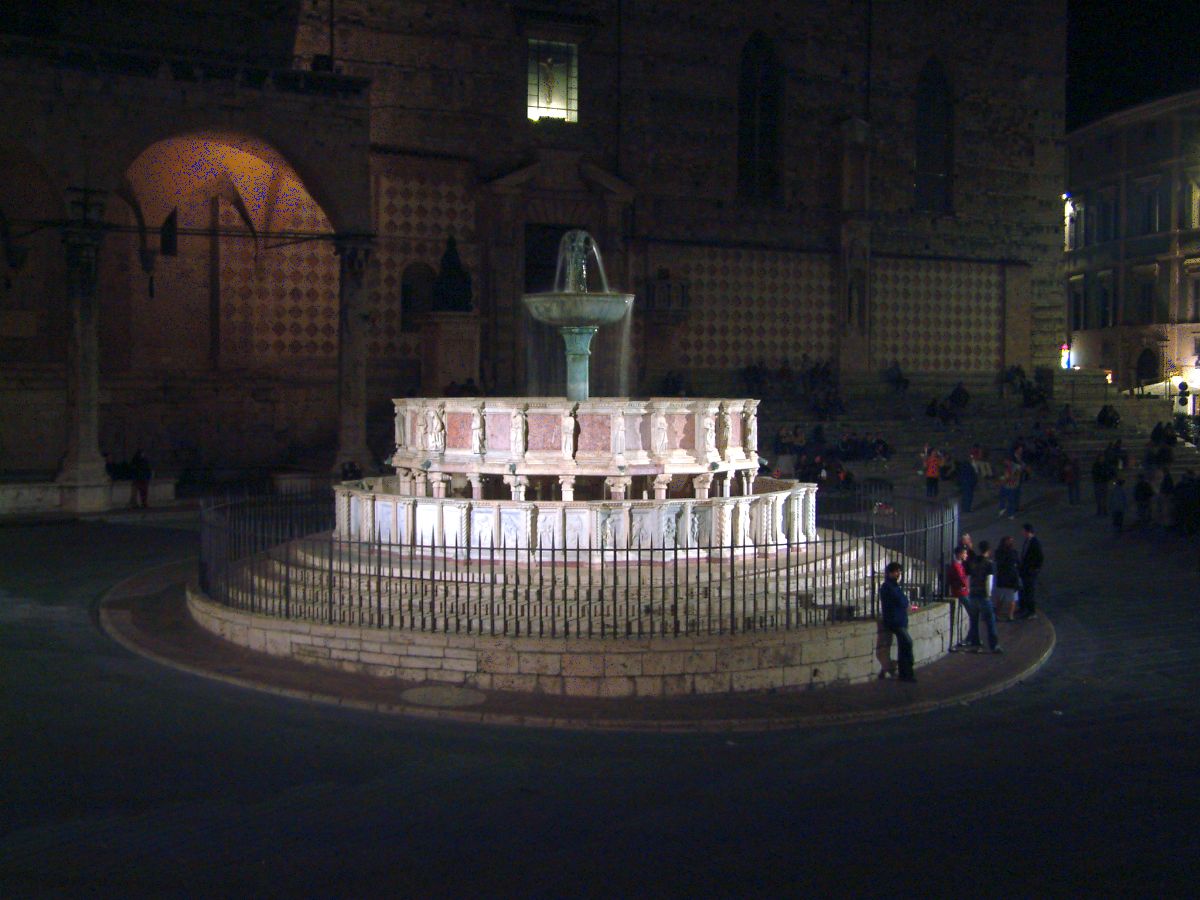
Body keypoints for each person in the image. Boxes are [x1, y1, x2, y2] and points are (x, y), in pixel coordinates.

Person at [879, 561, 916, 682]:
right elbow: (902, 601)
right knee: (908, 642)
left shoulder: (893, 586)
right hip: (895, 621)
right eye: (896, 572)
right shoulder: (888, 587)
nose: (898, 574)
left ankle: (904, 673)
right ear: (890, 573)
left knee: (903, 646)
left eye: (899, 571)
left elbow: (903, 600)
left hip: (899, 620)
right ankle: (906, 671)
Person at [965, 540, 1001, 652]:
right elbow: (989, 581)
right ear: (989, 551)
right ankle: (994, 645)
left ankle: (975, 641)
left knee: (974, 619)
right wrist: (988, 595)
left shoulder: (974, 561)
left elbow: (969, 576)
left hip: (973, 594)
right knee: (990, 620)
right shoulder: (989, 564)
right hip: (983, 595)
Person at [947, 545, 972, 649]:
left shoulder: (958, 564)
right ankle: (970, 638)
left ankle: (969, 638)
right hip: (961, 592)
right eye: (965, 553)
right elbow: (961, 579)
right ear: (960, 554)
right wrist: (966, 585)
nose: (966, 555)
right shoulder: (956, 565)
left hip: (962, 592)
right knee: (973, 614)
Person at [1018, 523, 1044, 620]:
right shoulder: (1027, 541)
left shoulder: (1035, 543)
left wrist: (1035, 569)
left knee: (1030, 591)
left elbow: (1040, 557)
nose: (1022, 532)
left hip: (1030, 572)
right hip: (1025, 570)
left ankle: (1031, 611)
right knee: (1024, 590)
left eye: (1023, 531)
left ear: (1028, 531)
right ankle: (1024, 608)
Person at [993, 535, 1021, 621]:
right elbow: (1018, 564)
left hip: (1002, 579)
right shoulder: (1014, 553)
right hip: (1012, 579)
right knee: (1012, 599)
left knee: (1000, 598)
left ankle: (997, 614)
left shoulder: (998, 552)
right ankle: (1010, 615)